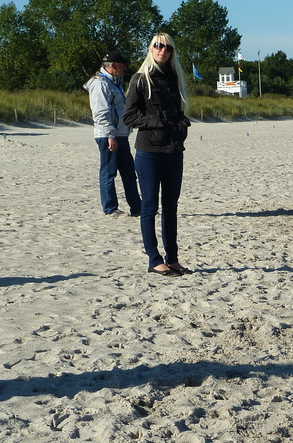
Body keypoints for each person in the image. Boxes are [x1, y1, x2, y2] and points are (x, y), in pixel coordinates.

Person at [123, 33, 192, 277]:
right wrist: (154, 122)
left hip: (173, 150)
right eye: (158, 46)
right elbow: (128, 116)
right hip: (148, 151)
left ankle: (172, 258)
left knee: (170, 206)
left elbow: (178, 111)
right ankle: (154, 259)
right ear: (151, 49)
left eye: (168, 47)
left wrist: (182, 122)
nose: (163, 50)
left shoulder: (175, 79)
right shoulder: (140, 79)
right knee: (149, 206)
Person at [84, 50, 141, 217]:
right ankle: (110, 208)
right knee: (109, 172)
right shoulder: (100, 84)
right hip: (108, 136)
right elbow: (101, 112)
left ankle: (137, 207)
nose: (124, 69)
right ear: (114, 65)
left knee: (129, 172)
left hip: (121, 135)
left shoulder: (114, 83)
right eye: (122, 66)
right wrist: (110, 135)